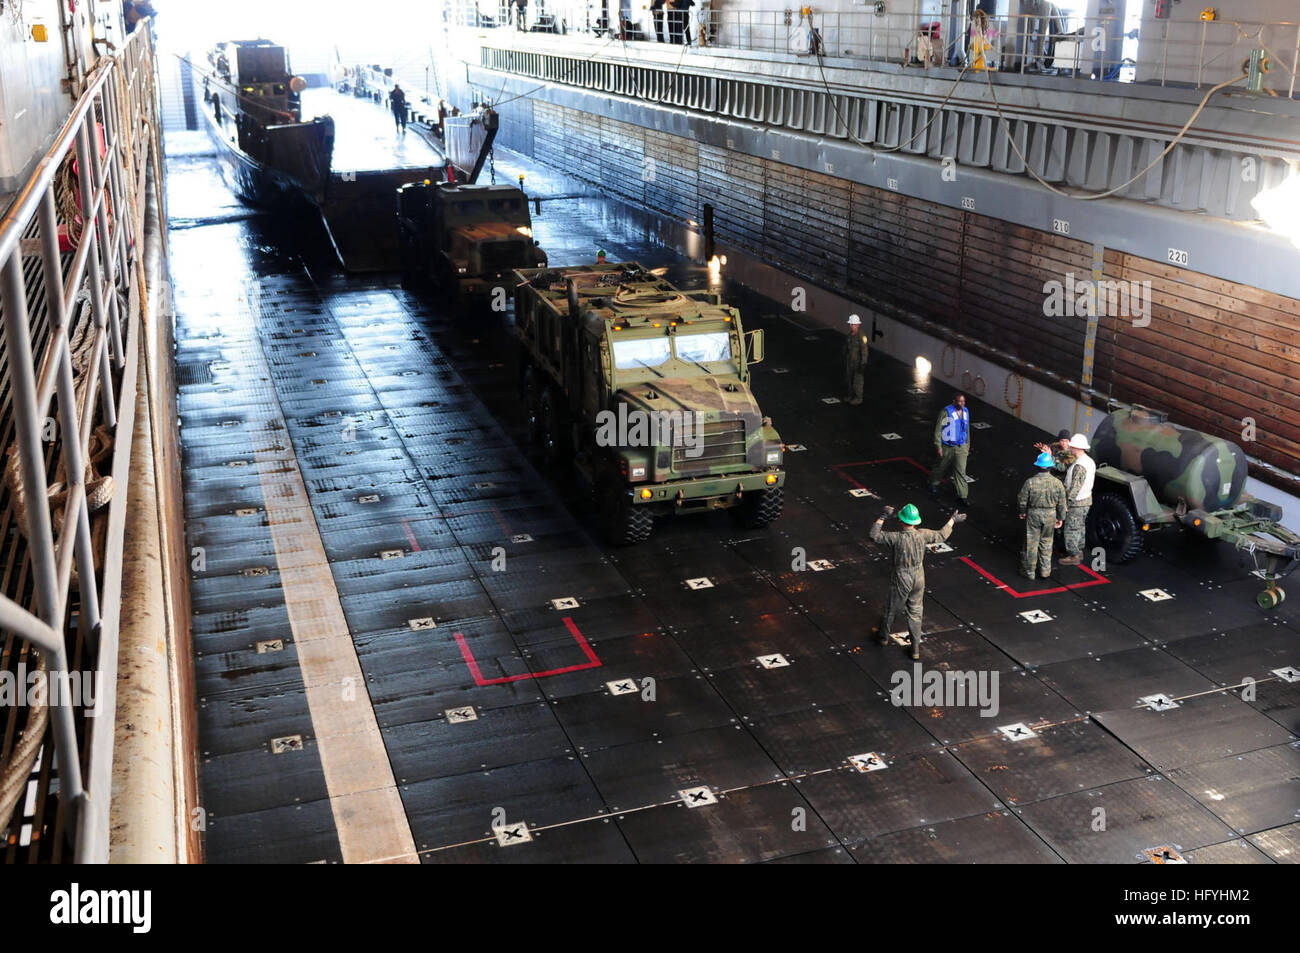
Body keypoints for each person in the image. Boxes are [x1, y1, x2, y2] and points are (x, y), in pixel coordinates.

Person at [870, 503, 964, 660]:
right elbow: (941, 535)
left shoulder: (896, 538)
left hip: (902, 577)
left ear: (901, 521)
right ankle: (914, 649)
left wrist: (883, 516)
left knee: (891, 608)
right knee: (915, 611)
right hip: (919, 577)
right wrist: (953, 520)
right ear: (916, 522)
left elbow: (874, 535)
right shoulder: (923, 534)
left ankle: (883, 637)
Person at [1018, 451, 1067, 579]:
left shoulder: (1030, 482)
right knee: (1046, 542)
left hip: (1033, 514)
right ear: (1050, 467)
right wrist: (1061, 518)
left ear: (1037, 466)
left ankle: (1030, 572)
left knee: (1031, 543)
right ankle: (1045, 571)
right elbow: (1062, 503)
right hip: (1050, 515)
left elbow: (1022, 499)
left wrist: (1023, 512)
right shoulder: (1057, 483)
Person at [1058, 433, 1096, 566]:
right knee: (1080, 527)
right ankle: (1079, 549)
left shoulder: (1080, 465)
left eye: (1072, 446)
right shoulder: (1089, 461)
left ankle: (1073, 555)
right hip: (1085, 500)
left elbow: (1075, 488)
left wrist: (1066, 504)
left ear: (1077, 448)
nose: (1070, 448)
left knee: (1071, 528)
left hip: (1077, 503)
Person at [928, 393, 970, 507]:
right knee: (941, 466)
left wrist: (967, 444)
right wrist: (938, 446)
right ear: (954, 401)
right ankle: (933, 483)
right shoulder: (946, 412)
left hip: (961, 447)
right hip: (947, 446)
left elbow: (966, 429)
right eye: (959, 401)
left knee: (961, 471)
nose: (962, 404)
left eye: (963, 402)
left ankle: (963, 495)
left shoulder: (966, 412)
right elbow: (938, 429)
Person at [842, 314, 869, 405]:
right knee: (849, 379)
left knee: (857, 380)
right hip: (850, 361)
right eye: (851, 324)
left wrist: (863, 363)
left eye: (853, 324)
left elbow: (864, 349)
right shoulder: (850, 335)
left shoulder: (861, 336)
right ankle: (851, 395)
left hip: (858, 362)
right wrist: (845, 352)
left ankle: (858, 398)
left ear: (858, 324)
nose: (852, 326)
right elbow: (847, 346)